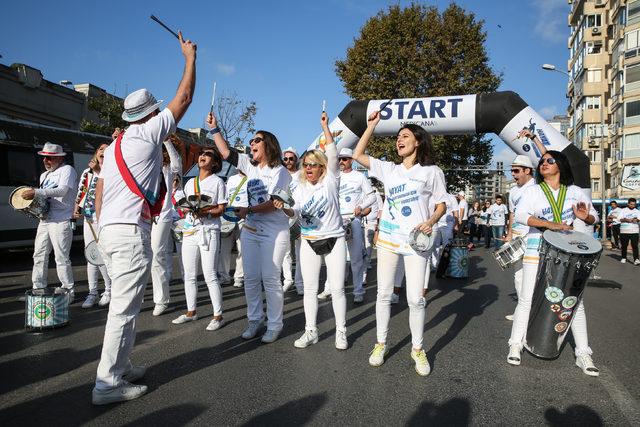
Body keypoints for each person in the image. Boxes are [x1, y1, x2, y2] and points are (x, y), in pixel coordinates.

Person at [92, 31, 196, 405]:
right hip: (130, 232)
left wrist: (102, 229)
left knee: (126, 306)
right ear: (151, 114)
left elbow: (101, 193)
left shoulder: (117, 143)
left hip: (110, 230)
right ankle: (107, 384)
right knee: (124, 309)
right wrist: (189, 58)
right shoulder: (146, 135)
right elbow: (183, 98)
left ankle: (120, 366)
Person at [353, 111, 447, 377]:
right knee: (383, 294)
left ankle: (417, 349)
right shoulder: (389, 169)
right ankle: (380, 344)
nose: (399, 140)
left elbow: (441, 203)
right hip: (389, 240)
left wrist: (431, 220)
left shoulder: (432, 172)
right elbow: (358, 155)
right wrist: (370, 126)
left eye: (405, 136)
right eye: (397, 137)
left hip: (417, 242)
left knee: (416, 299)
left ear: (418, 142)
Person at [509, 150, 599, 376]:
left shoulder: (575, 191)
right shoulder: (534, 190)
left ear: (561, 164)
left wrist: (584, 217)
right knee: (527, 298)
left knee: (574, 302)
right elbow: (521, 215)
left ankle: (583, 354)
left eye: (549, 160)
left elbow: (594, 217)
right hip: (536, 248)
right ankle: (515, 344)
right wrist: (550, 224)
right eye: (541, 161)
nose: (544, 164)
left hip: (568, 253)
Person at [207, 112, 291, 344]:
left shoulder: (280, 172)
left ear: (269, 145)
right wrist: (214, 130)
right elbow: (226, 153)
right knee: (251, 278)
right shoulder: (250, 166)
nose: (251, 143)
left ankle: (275, 324)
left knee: (271, 278)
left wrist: (248, 211)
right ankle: (255, 319)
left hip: (274, 232)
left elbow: (273, 203)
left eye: (257, 140)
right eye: (251, 141)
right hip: (251, 231)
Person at [275, 111, 348, 349]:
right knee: (309, 290)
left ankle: (340, 331)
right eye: (305, 164)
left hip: (334, 239)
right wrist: (284, 208)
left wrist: (325, 128)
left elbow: (333, 153)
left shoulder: (331, 180)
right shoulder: (300, 187)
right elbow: (294, 212)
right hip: (308, 240)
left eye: (313, 165)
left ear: (322, 168)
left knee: (337, 290)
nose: (307, 168)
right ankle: (311, 331)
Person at [172, 147, 227, 329]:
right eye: (202, 153)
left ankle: (218, 315)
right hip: (190, 231)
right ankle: (191, 311)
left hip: (208, 231)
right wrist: (187, 208)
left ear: (216, 163)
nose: (203, 156)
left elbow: (221, 209)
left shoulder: (218, 182)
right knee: (188, 274)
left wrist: (205, 212)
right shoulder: (190, 183)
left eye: (208, 154)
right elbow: (184, 207)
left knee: (210, 274)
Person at [318, 147, 375, 303]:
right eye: (339, 159)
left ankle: (358, 291)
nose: (341, 161)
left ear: (351, 160)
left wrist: (361, 207)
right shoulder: (333, 176)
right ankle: (328, 289)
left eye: (344, 159)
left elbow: (372, 196)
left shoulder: (360, 177)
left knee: (356, 259)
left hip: (353, 220)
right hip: (335, 221)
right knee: (332, 258)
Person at [22, 142, 77, 301]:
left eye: (50, 158)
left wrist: (36, 192)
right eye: (44, 158)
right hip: (45, 220)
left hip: (61, 220)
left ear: (60, 158)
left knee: (61, 257)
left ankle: (68, 291)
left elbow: (62, 190)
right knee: (38, 254)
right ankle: (37, 289)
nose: (46, 161)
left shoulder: (67, 170)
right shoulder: (44, 175)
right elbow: (45, 199)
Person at [150, 135, 183, 316]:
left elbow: (177, 164)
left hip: (162, 212)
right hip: (142, 212)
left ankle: (161, 299)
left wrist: (165, 140)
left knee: (157, 253)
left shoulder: (168, 167)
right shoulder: (146, 161)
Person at [76, 144, 112, 308]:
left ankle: (109, 289)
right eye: (100, 149)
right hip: (88, 218)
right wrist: (77, 207)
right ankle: (92, 292)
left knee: (103, 255)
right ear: (96, 153)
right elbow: (81, 191)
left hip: (104, 218)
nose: (103, 151)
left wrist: (99, 170)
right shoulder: (87, 172)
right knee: (91, 255)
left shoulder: (111, 171)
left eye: (106, 148)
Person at [503, 154, 536, 321]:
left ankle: (533, 313)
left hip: (533, 237)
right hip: (516, 236)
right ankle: (522, 311)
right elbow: (512, 213)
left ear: (527, 170)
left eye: (516, 171)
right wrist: (509, 234)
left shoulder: (538, 188)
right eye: (512, 171)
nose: (513, 174)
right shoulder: (514, 190)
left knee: (533, 276)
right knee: (518, 276)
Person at [217, 171, 247, 288]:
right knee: (225, 247)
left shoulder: (251, 177)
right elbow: (227, 196)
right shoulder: (231, 179)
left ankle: (239, 277)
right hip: (229, 215)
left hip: (244, 215)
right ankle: (224, 276)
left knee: (242, 248)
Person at [281, 147, 304, 295]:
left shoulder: (302, 175)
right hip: (283, 215)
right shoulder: (280, 175)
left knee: (301, 251)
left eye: (291, 158)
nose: (288, 161)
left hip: (300, 216)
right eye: (285, 159)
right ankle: (288, 280)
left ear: (296, 159)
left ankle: (300, 283)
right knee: (285, 251)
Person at [618, 198, 640, 264]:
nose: (632, 206)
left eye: (634, 204)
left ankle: (636, 259)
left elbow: (639, 219)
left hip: (634, 231)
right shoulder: (623, 210)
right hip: (624, 231)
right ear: (628, 204)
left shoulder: (637, 211)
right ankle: (624, 257)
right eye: (631, 204)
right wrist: (627, 220)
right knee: (624, 245)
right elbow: (619, 219)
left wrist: (636, 220)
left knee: (635, 245)